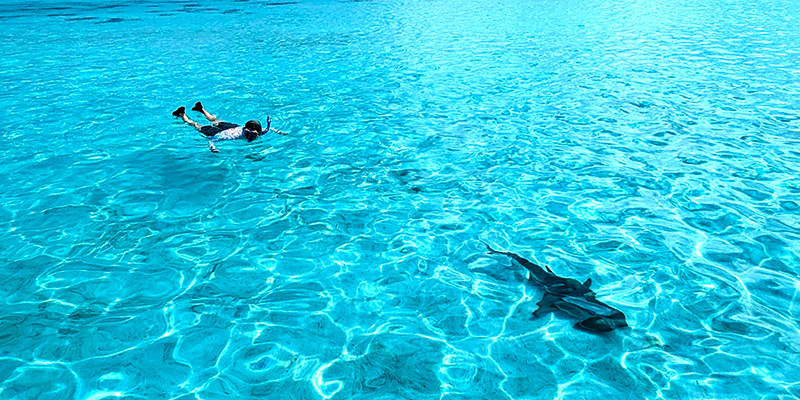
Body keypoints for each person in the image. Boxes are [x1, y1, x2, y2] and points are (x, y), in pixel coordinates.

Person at [172, 102, 286, 152]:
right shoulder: (232, 136)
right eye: (248, 133)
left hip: (232, 126)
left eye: (253, 134)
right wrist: (213, 148)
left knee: (213, 119)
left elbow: (268, 129)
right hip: (222, 132)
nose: (250, 136)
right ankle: (182, 114)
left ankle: (201, 109)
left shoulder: (257, 132)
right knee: (196, 125)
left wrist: (279, 132)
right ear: (244, 130)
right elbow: (213, 140)